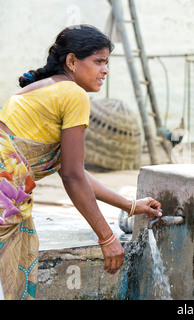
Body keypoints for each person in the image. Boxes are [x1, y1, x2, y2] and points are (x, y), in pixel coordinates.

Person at [0, 24, 162, 300]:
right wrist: (107, 237)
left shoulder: (40, 89)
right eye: (99, 61)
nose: (105, 70)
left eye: (107, 63)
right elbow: (72, 176)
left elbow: (72, 170)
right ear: (72, 61)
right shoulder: (73, 95)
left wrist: (131, 206)